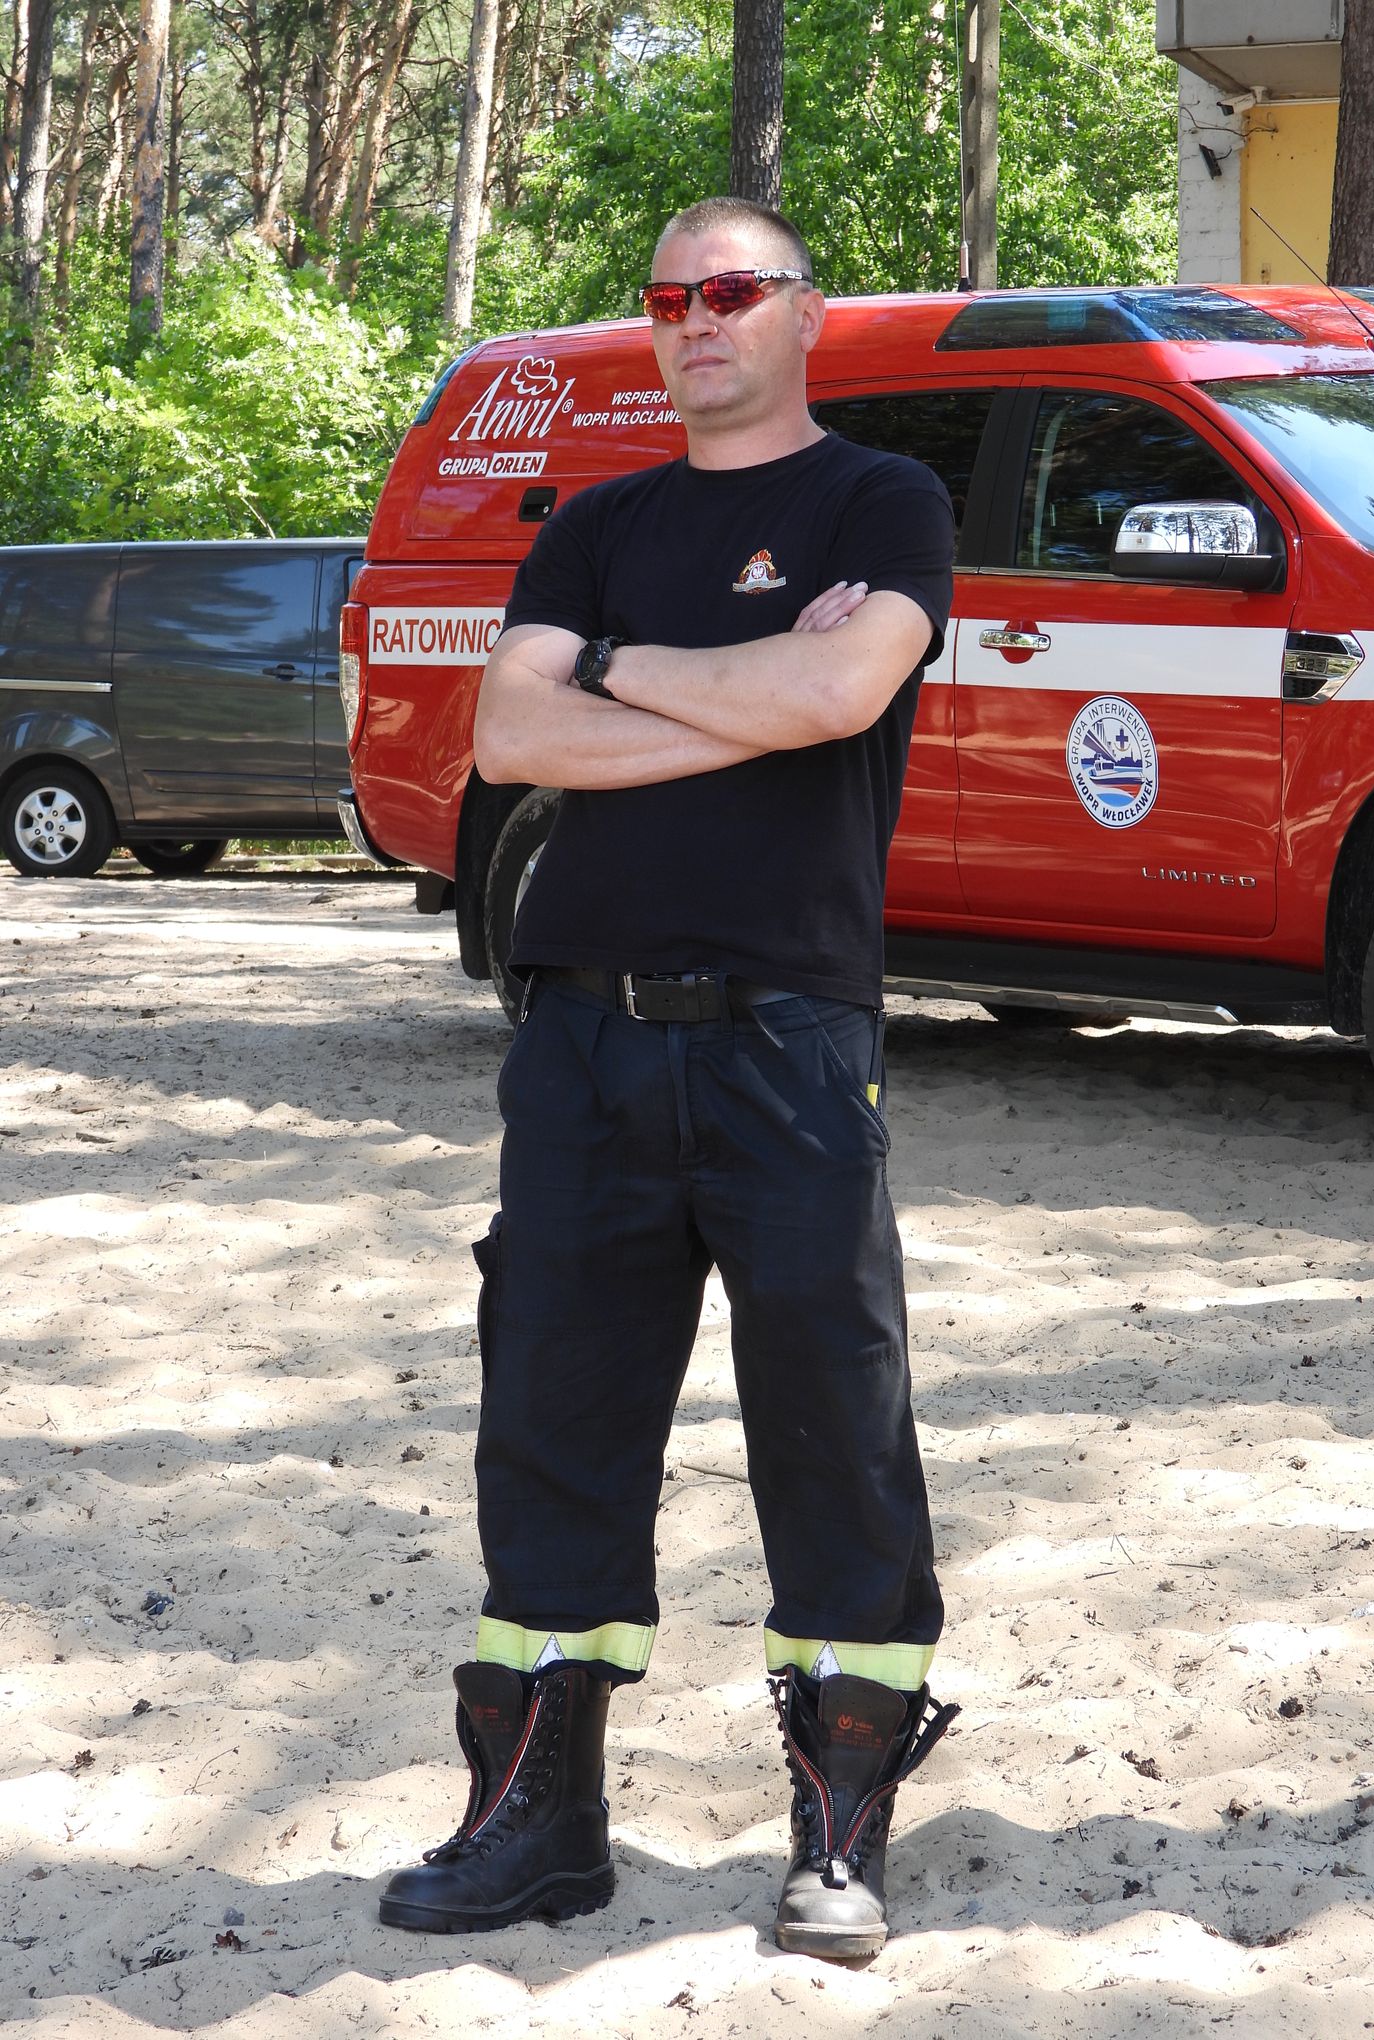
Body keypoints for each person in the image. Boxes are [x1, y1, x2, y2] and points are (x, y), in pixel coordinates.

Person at [379, 196, 958, 1962]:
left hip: (792, 1036)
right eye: (667, 299)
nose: (694, 320)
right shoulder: (595, 525)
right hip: (582, 1038)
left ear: (803, 314)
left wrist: (638, 679)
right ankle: (537, 1825)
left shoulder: (881, 502)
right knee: (551, 1420)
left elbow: (840, 695)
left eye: (731, 291)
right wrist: (734, 688)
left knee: (835, 1422)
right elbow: (512, 731)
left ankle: (838, 1835)